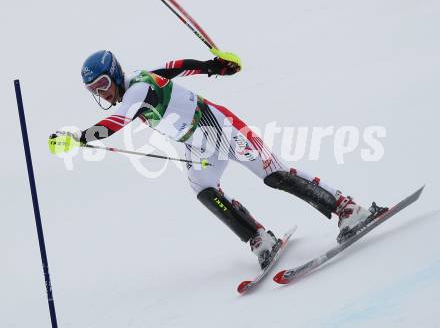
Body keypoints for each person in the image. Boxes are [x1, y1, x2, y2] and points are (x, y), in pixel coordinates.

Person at [49, 50, 383, 269]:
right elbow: (174, 68)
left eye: (103, 83)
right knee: (204, 190)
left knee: (273, 174)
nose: (101, 93)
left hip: (220, 128)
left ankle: (347, 208)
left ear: (115, 74)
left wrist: (79, 137)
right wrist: (213, 67)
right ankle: (259, 237)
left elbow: (116, 122)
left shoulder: (137, 89)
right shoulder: (136, 84)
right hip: (196, 146)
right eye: (93, 89)